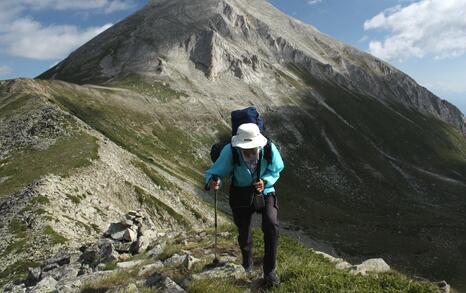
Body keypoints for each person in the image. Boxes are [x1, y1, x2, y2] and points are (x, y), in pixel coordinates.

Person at [205, 123, 285, 287]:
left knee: (271, 225)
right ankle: (247, 263)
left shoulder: (268, 148)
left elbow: (277, 168)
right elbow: (214, 172)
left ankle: (270, 271)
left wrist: (265, 181)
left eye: (252, 148)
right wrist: (212, 182)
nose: (249, 152)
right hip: (240, 193)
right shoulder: (231, 150)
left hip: (265, 190)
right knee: (244, 230)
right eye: (245, 149)